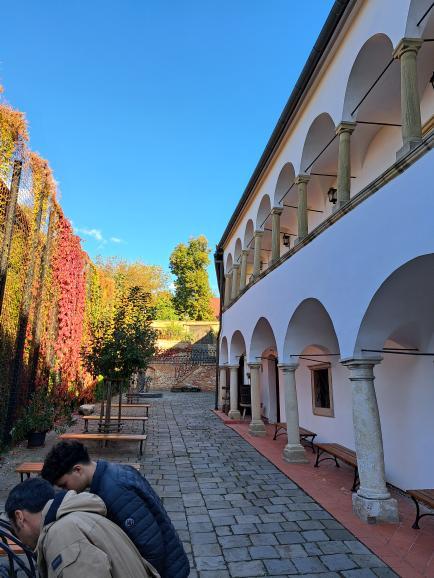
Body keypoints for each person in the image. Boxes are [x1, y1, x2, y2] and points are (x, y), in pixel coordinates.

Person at [41, 441, 190, 578]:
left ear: (78, 470)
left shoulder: (114, 491)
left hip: (167, 571)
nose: (66, 491)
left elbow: (151, 547)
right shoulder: (113, 472)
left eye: (64, 485)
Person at [5, 478, 160, 578]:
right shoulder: (80, 516)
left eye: (14, 531)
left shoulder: (62, 535)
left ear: (20, 517)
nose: (20, 540)